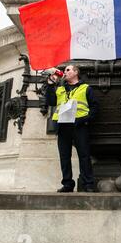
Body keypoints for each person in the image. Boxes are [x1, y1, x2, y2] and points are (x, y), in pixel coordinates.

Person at [45, 65, 99, 193]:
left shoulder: (85, 88)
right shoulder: (60, 89)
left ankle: (88, 184)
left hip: (79, 126)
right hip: (63, 127)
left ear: (76, 72)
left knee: (84, 156)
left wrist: (83, 120)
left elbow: (95, 108)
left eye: (68, 70)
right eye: (65, 71)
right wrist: (50, 85)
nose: (65, 72)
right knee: (64, 157)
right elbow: (51, 101)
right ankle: (68, 184)